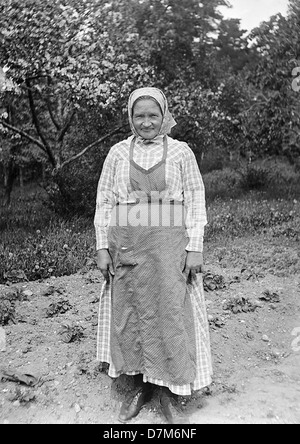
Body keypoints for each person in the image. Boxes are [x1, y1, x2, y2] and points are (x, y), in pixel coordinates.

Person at [94, 87, 212, 424]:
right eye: (139, 116)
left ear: (164, 117)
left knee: (170, 311)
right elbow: (104, 201)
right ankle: (140, 386)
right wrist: (102, 246)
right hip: (127, 245)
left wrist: (195, 247)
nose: (146, 122)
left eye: (153, 115)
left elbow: (196, 199)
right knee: (130, 312)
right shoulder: (117, 153)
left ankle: (168, 390)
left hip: (168, 248)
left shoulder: (180, 152)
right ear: (130, 118)